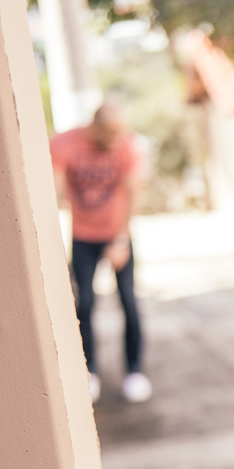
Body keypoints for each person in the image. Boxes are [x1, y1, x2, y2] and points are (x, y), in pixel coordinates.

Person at [50, 101, 152, 404]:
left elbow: (135, 194)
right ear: (94, 126)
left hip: (117, 234)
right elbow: (53, 190)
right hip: (83, 237)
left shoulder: (126, 145)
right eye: (110, 134)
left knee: (129, 302)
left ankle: (135, 371)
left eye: (119, 133)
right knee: (84, 303)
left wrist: (121, 239)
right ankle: (89, 371)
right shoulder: (65, 143)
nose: (115, 140)